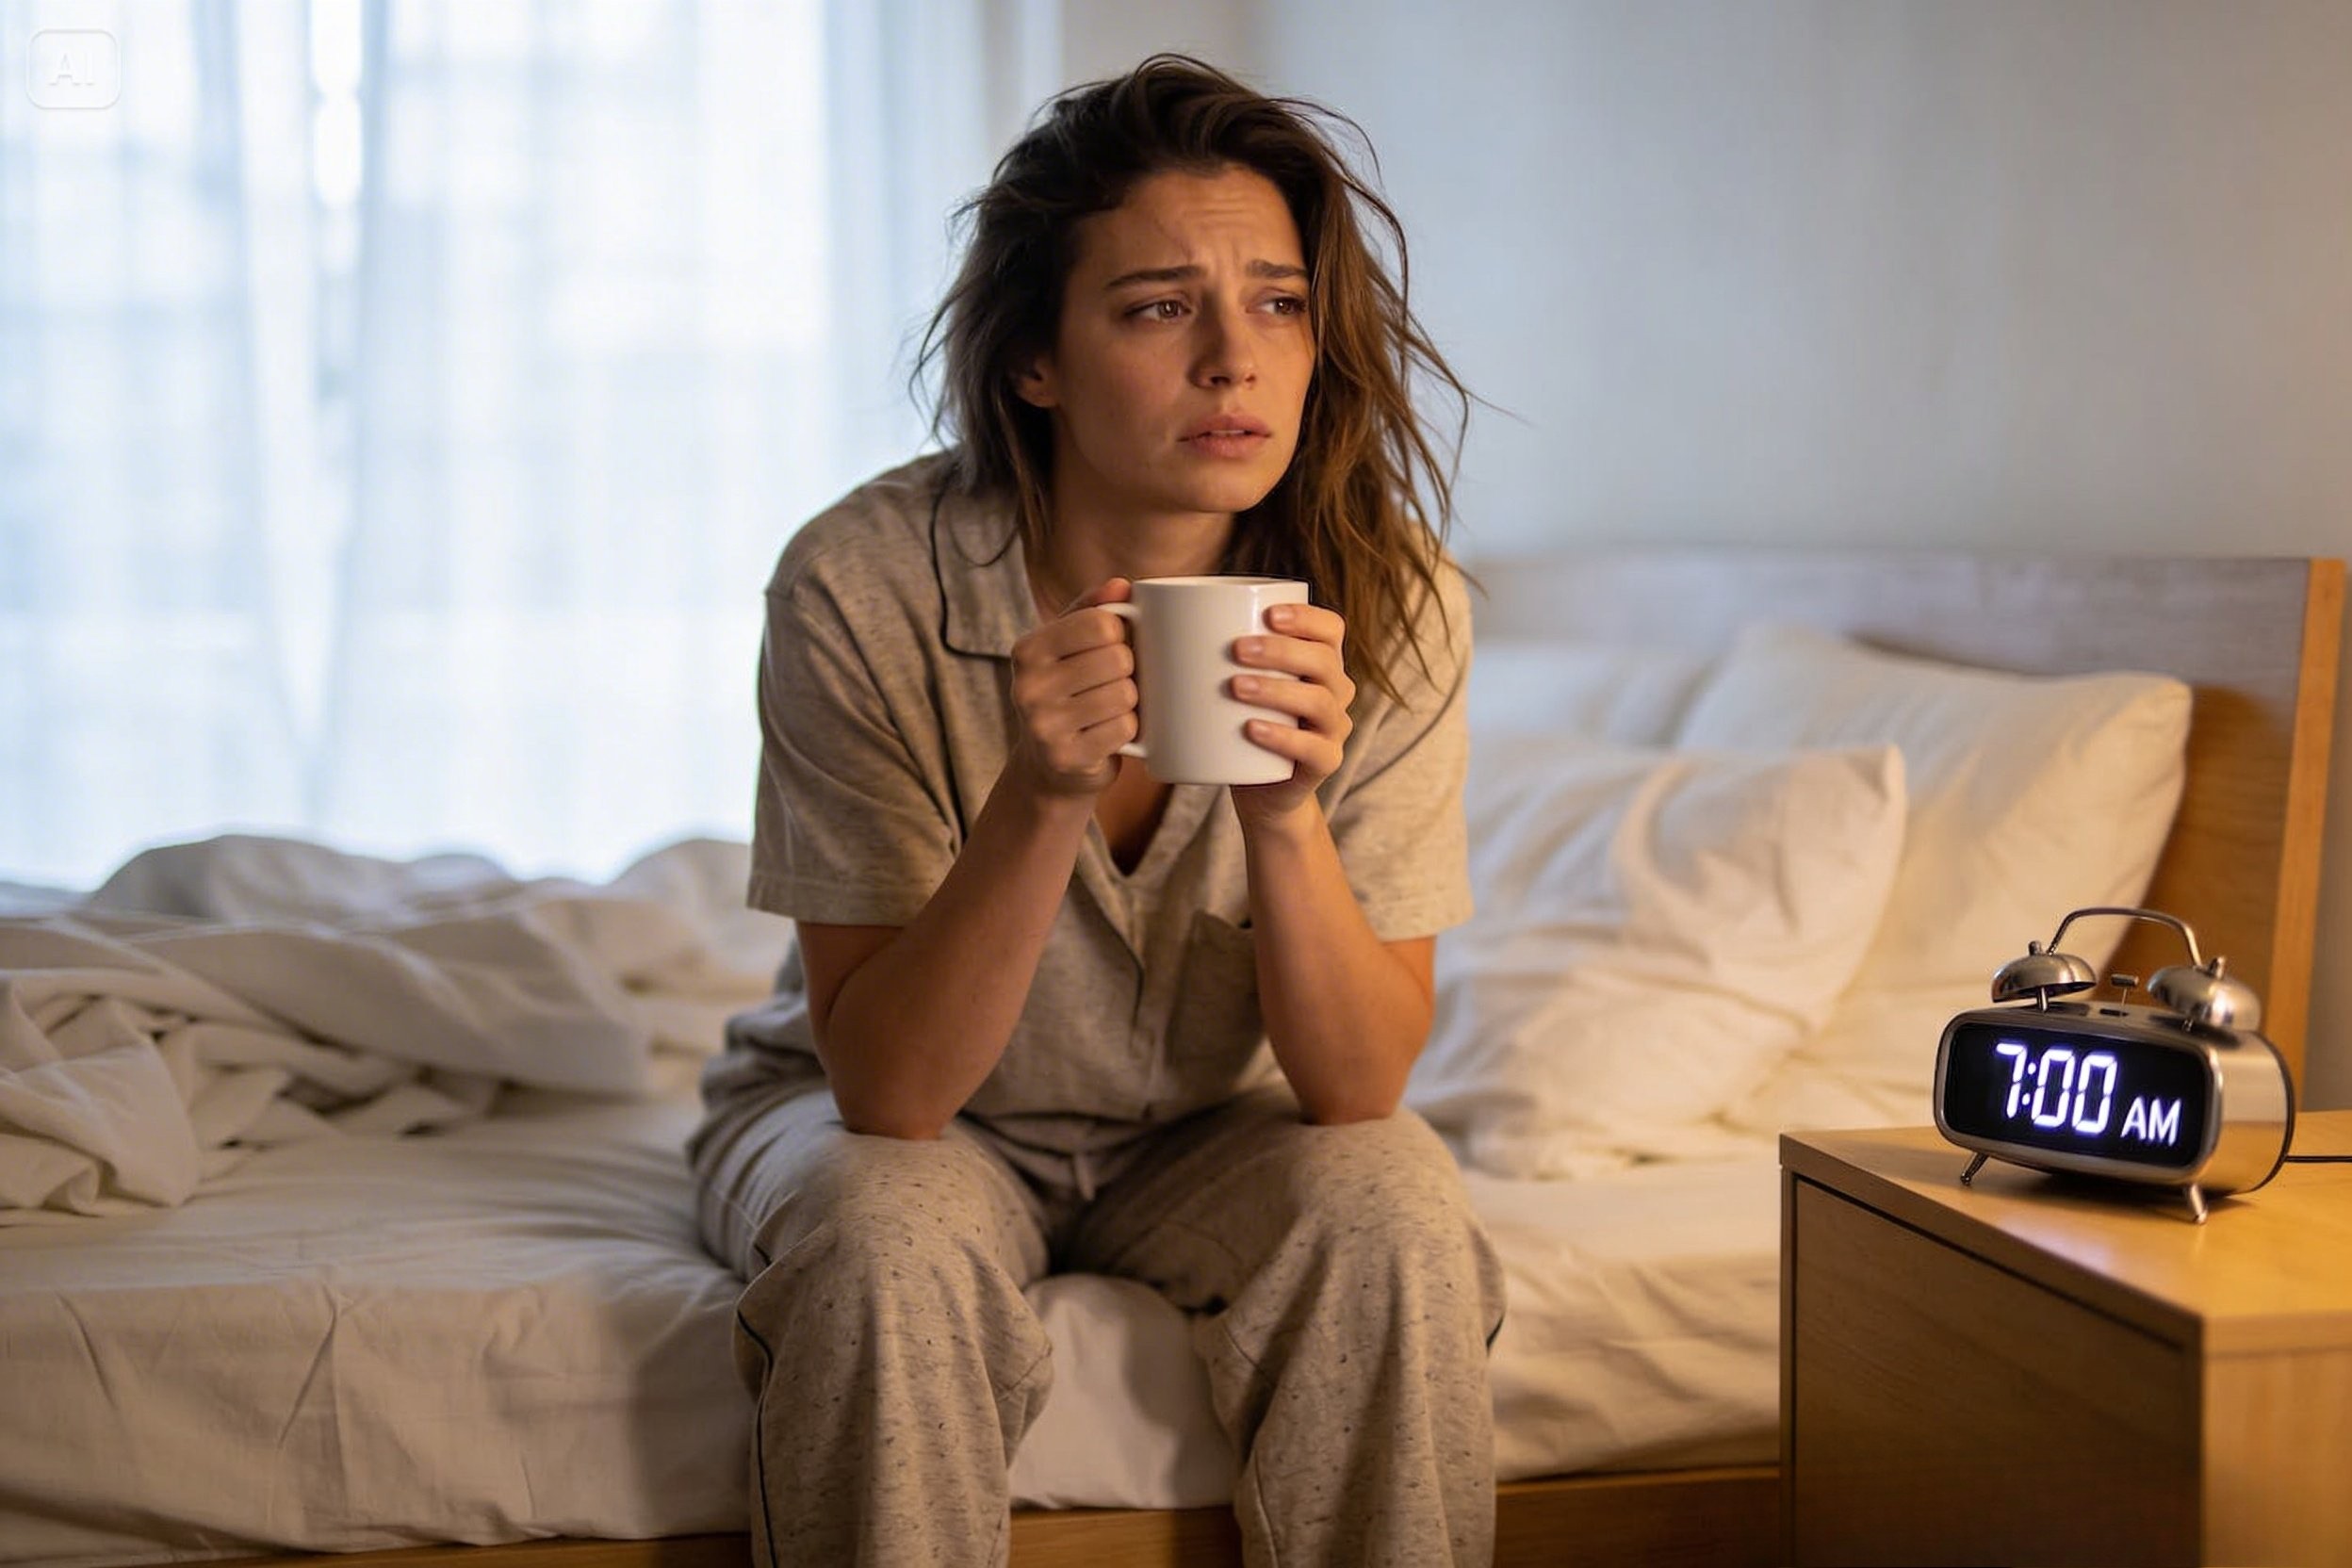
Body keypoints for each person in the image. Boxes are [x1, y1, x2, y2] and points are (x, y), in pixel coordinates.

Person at [687, 54, 1506, 1568]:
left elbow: (1353, 1087)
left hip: (1205, 1129)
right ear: (1035, 363)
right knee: (886, 1240)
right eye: (1154, 307)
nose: (1233, 362)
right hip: (893, 1107)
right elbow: (892, 1095)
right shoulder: (858, 584)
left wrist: (1284, 820)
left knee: (1393, 1200)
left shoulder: (1398, 606)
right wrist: (1038, 800)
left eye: (1275, 301)